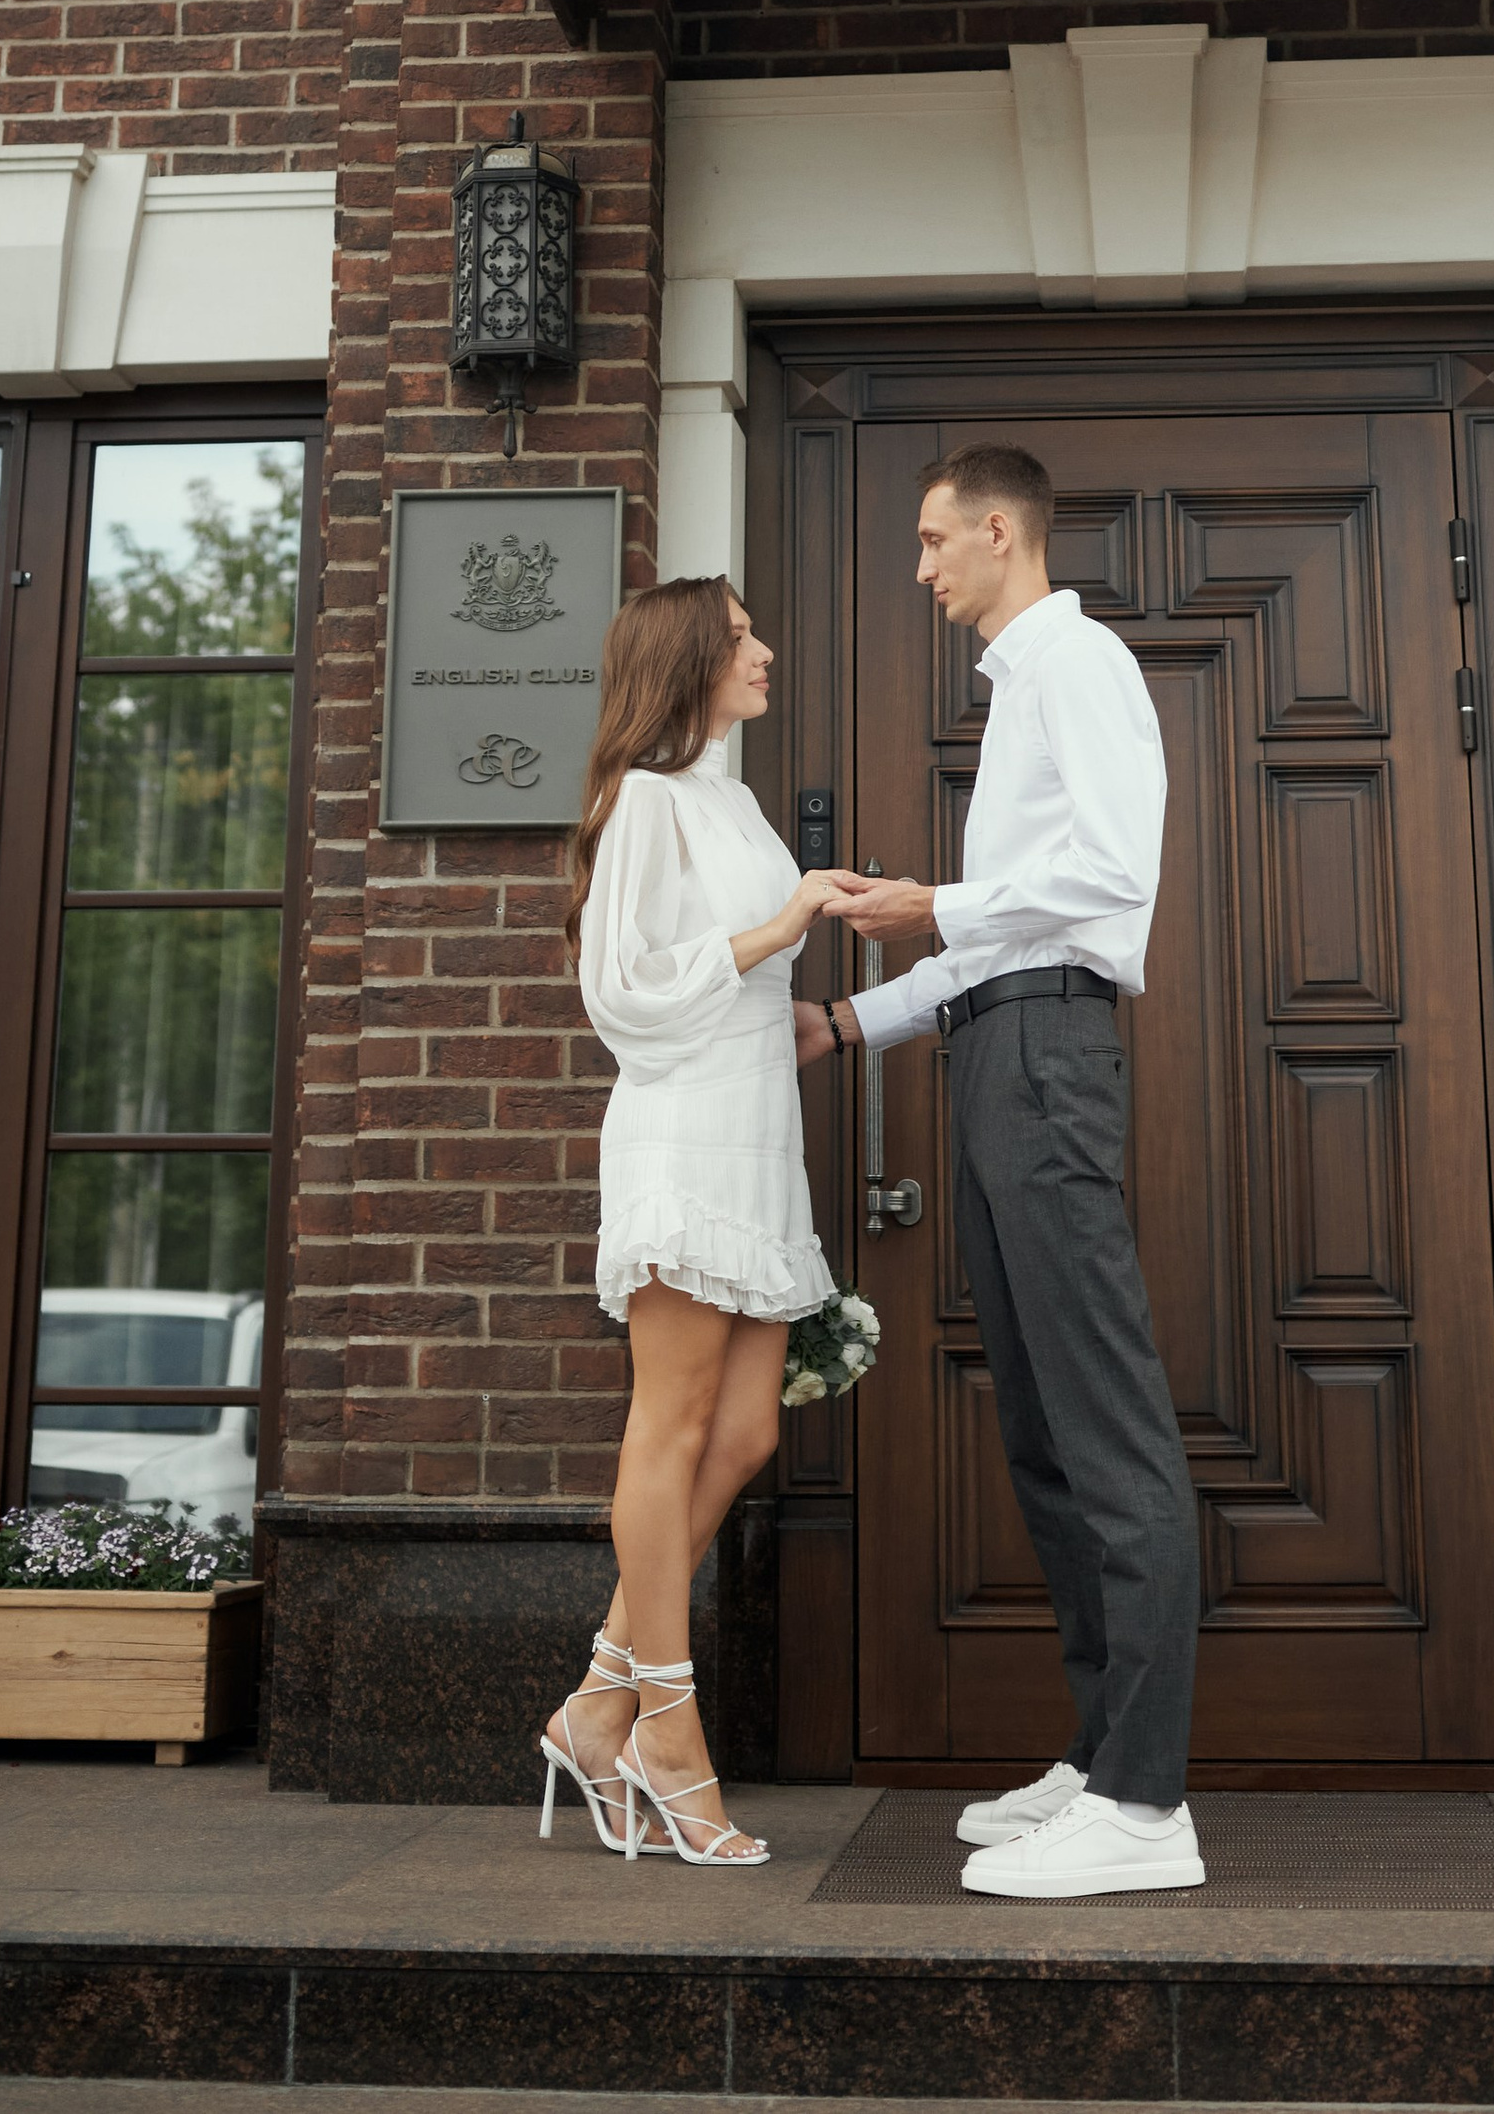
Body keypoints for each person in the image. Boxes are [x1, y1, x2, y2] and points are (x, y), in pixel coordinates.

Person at [817, 444, 1202, 1899]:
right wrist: (848, 1020)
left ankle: (1150, 1810)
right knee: (1044, 1431)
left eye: (932, 542)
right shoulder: (1024, 686)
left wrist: (929, 898)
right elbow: (992, 949)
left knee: (1102, 1428)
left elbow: (1109, 879)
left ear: (998, 531)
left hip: (1045, 1064)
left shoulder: (1076, 663)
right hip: (998, 1049)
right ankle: (1105, 1760)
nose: (920, 570)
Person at [538, 572, 853, 1868]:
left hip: (756, 1131)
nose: (765, 652)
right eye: (741, 640)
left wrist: (801, 1015)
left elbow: (723, 974)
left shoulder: (726, 795)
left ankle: (595, 1705)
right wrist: (781, 925)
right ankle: (665, 1719)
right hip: (678, 1136)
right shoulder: (643, 801)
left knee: (741, 1431)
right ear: (690, 663)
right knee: (670, 1425)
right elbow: (617, 993)